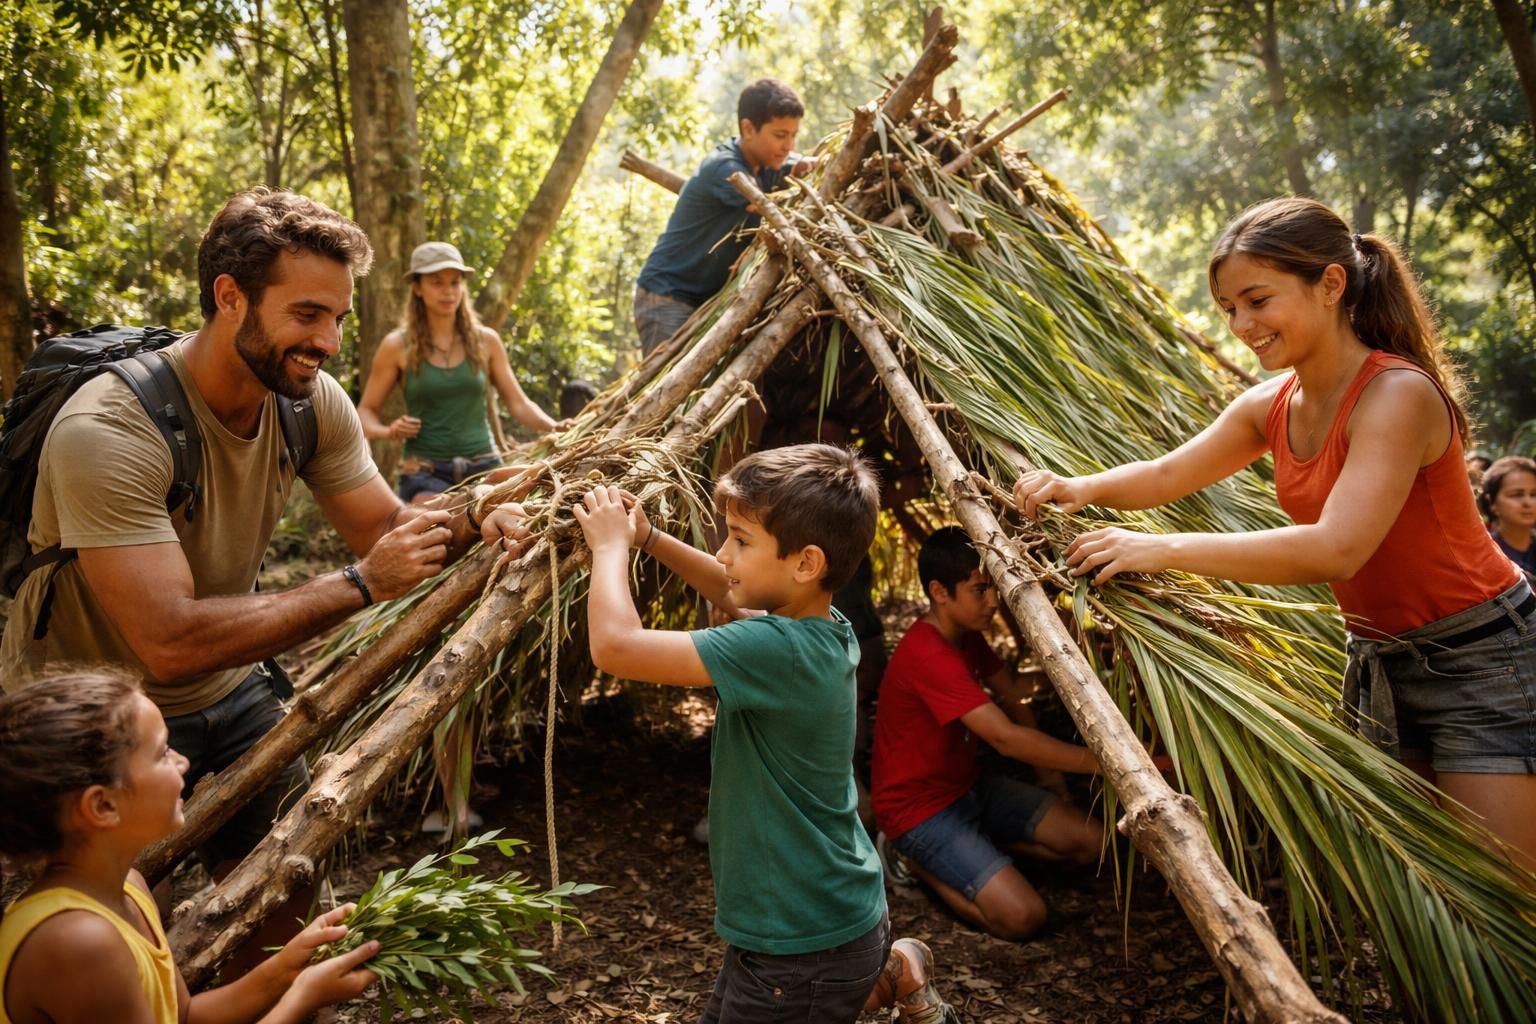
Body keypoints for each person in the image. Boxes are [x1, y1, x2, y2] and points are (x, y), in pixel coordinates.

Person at [0, 188, 527, 963]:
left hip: (232, 689)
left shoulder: (309, 401)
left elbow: (385, 530)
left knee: (285, 893)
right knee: (117, 945)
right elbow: (168, 642)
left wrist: (480, 518)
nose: (332, 343)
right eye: (308, 314)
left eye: (340, 319)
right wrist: (356, 586)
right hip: (99, 720)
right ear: (228, 297)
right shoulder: (108, 430)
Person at [1014, 196, 1536, 874]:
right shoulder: (1272, 405)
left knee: (1507, 901)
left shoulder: (1397, 396)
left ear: (1330, 285)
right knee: (1428, 891)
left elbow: (1336, 547)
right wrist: (1079, 488)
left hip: (1480, 658)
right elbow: (1170, 473)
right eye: (1229, 307)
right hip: (1380, 661)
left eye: (1257, 300)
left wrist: (1161, 548)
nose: (1241, 325)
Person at [572, 444, 956, 1023]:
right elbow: (730, 589)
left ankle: (885, 972)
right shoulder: (823, 626)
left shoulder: (777, 650)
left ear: (805, 563)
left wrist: (609, 547)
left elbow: (615, 646)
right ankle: (889, 970)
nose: (723, 554)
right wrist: (650, 538)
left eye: (740, 541)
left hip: (803, 945)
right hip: (818, 921)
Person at [0, 669, 380, 1023]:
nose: (183, 761)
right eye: (162, 753)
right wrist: (301, 999)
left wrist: (286, 970)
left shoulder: (129, 887)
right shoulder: (78, 943)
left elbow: (184, 1013)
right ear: (103, 805)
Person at [871, 527, 1132, 940]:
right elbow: (1005, 738)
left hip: (967, 788)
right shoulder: (927, 653)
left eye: (993, 588)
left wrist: (1052, 779)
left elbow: (1013, 699)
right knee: (1024, 917)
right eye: (979, 590)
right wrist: (1110, 765)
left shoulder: (967, 638)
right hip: (919, 811)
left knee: (1094, 844)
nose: (993, 601)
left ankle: (976, 851)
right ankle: (913, 860)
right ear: (940, 592)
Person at [358, 241, 559, 503]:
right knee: (435, 528)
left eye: (455, 282)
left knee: (507, 524)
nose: (448, 292)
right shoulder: (396, 346)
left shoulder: (486, 341)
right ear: (417, 288)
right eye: (437, 282)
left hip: (485, 466)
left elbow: (518, 403)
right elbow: (365, 412)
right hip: (424, 472)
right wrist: (389, 430)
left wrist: (555, 427)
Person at [633, 79, 816, 355]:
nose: (789, 145)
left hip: (702, 302)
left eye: (794, 135)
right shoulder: (724, 168)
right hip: (667, 297)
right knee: (667, 392)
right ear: (748, 128)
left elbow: (800, 164)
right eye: (780, 135)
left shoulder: (766, 165)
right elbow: (765, 206)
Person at [1480, 455, 1536, 582]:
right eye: (1516, 495)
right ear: (1491, 502)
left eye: (1534, 494)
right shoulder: (1482, 556)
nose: (1528, 502)